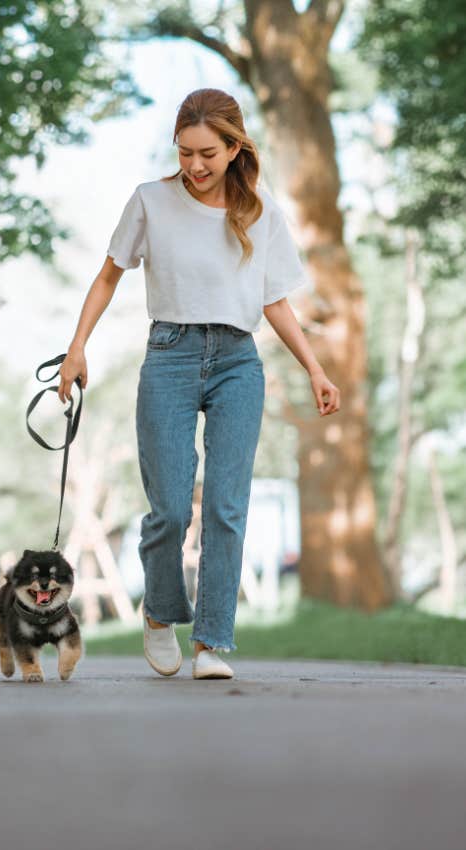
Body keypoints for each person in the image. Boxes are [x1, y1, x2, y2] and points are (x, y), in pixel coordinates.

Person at [56, 88, 340, 681]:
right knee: (168, 506)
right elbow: (109, 276)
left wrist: (315, 368)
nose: (195, 166)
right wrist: (77, 347)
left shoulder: (261, 214)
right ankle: (160, 614)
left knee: (227, 507)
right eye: (184, 152)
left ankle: (212, 641)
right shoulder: (150, 201)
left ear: (236, 148)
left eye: (208, 152)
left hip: (239, 361)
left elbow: (277, 303)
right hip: (169, 356)